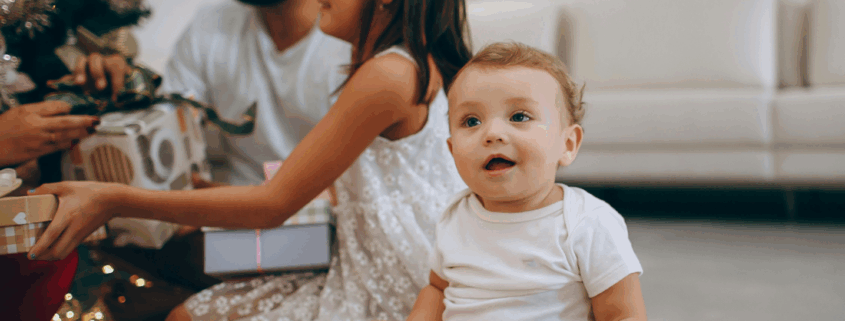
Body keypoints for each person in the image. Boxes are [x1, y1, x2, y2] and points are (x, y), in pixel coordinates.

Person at [29, 0, 473, 320]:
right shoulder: (392, 63)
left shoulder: (388, 74)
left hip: (393, 273)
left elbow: (273, 203)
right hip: (349, 248)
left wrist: (111, 199)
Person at [407, 42, 648, 321]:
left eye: (519, 116)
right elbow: (437, 289)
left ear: (568, 144)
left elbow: (622, 314)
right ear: (451, 151)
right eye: (471, 121)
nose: (492, 133)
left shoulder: (586, 223)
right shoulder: (455, 216)